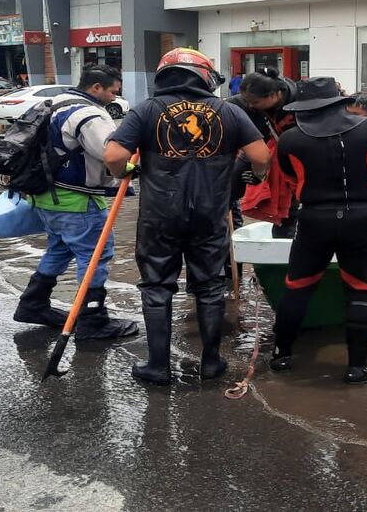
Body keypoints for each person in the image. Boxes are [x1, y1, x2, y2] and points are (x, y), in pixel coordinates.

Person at [105, 49, 270, 385]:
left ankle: (157, 367)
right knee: (209, 286)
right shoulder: (226, 110)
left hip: (159, 215)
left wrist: (128, 171)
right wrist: (257, 175)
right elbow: (260, 154)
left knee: (156, 287)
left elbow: (113, 154)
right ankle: (211, 363)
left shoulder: (147, 110)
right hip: (210, 213)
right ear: (204, 76)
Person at [269, 77, 367, 384]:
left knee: (297, 286)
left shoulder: (290, 139)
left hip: (314, 219)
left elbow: (290, 175)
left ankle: (281, 356)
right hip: (361, 218)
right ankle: (356, 368)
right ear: (339, 101)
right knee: (360, 289)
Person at [11, 64, 138, 341]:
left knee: (59, 250)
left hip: (44, 195)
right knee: (95, 256)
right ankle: (93, 320)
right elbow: (110, 156)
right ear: (96, 88)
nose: (114, 98)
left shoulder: (54, 103)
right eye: (112, 92)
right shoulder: (89, 114)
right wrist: (132, 169)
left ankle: (33, 304)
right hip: (76, 200)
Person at [228, 67, 299, 236]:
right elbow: (223, 110)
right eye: (247, 102)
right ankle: (232, 239)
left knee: (290, 207)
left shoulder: (300, 103)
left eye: (255, 102)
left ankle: (283, 251)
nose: (250, 106)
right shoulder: (246, 103)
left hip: (297, 153)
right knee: (229, 187)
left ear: (274, 95)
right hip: (261, 147)